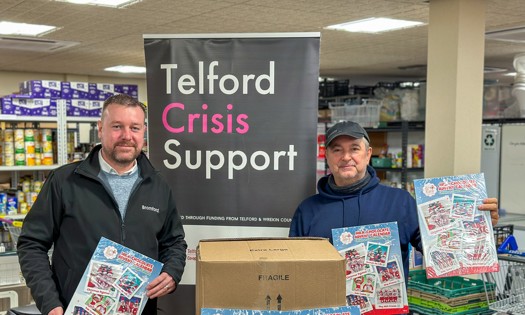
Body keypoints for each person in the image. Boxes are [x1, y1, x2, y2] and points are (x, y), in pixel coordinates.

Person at [17, 94, 187, 315]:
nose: (126, 136)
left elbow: (174, 242)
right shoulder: (65, 181)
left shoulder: (158, 185)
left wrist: (172, 273)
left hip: (140, 308)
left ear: (144, 132)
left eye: (134, 128)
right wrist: (51, 305)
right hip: (76, 309)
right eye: (117, 126)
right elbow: (31, 245)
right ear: (100, 128)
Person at [288, 120, 499, 283]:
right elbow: (294, 272)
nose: (346, 157)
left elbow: (444, 249)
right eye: (337, 149)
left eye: (354, 148)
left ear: (368, 154)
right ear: (328, 157)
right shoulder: (308, 210)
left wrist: (478, 227)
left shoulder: (399, 202)